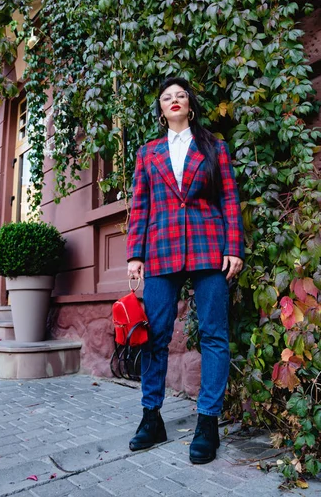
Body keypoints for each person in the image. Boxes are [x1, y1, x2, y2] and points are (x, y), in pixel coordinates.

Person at [126, 77, 245, 464]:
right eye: (166, 97)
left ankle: (207, 422)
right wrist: (134, 254)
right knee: (155, 336)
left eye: (180, 95)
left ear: (190, 104)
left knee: (213, 334)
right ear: (160, 109)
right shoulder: (148, 153)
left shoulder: (214, 147)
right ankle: (151, 418)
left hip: (210, 246)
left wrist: (234, 248)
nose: (174, 100)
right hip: (161, 249)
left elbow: (229, 198)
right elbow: (140, 205)